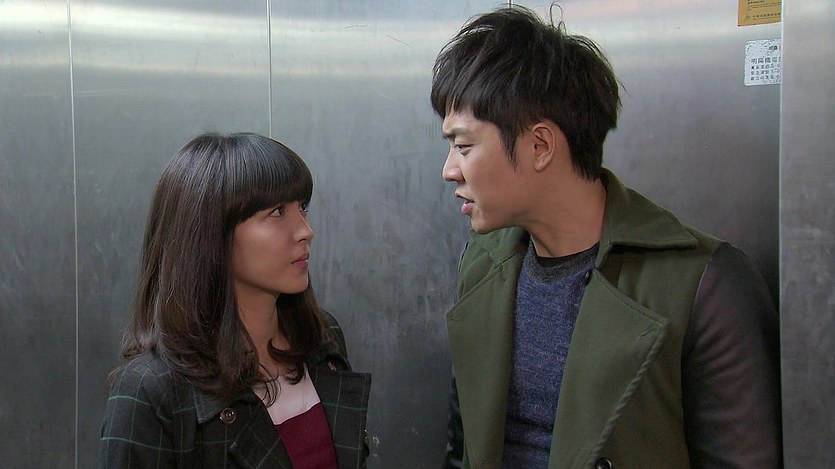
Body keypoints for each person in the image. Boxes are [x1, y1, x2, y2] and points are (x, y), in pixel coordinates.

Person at [431, 6, 781, 469]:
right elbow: (463, 451)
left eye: (464, 146)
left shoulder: (705, 285)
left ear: (540, 146)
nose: (449, 170)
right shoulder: (482, 264)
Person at [100, 132, 371, 468]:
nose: (305, 230)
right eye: (277, 212)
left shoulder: (320, 338)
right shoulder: (153, 392)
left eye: (302, 207)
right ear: (212, 236)